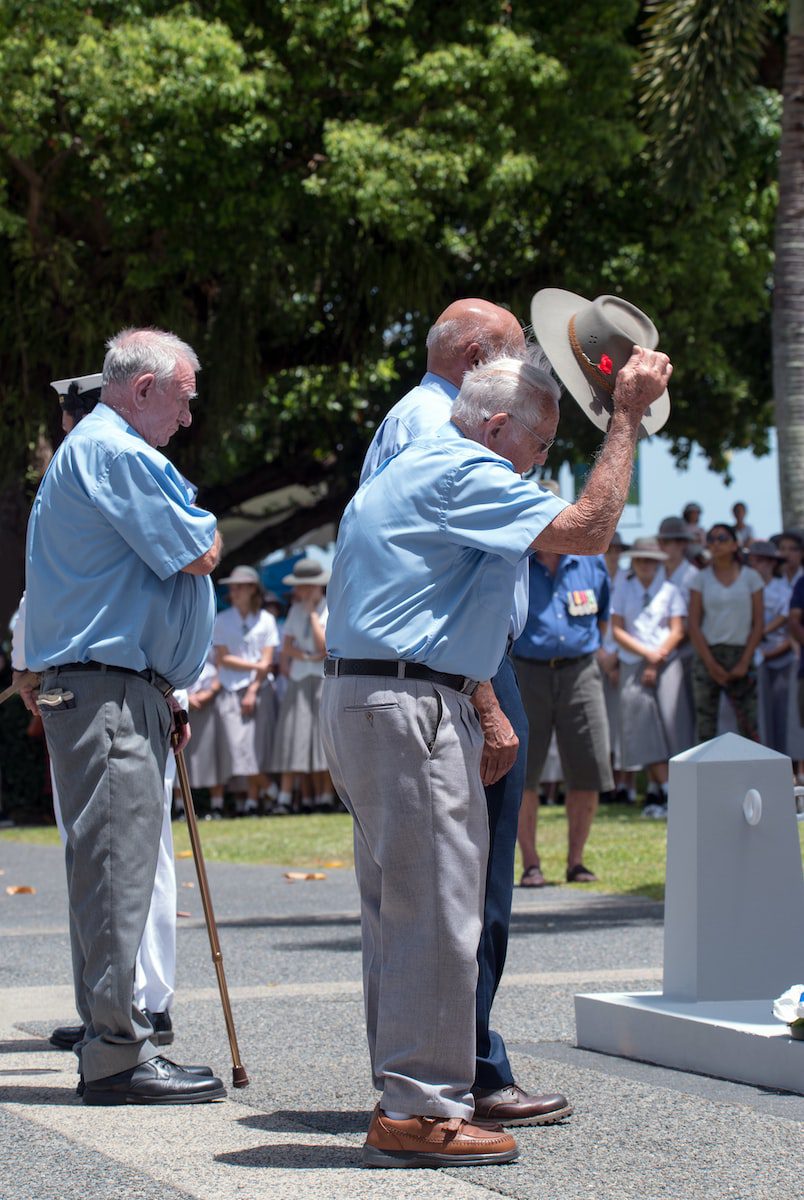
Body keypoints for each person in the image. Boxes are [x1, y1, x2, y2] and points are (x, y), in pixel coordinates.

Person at [322, 317, 671, 1167]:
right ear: (493, 426)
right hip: (404, 704)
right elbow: (590, 526)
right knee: (439, 908)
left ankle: (411, 1093)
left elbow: (438, 606)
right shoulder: (465, 466)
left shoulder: (427, 463)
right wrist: (623, 416)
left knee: (406, 906)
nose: (540, 459)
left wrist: (478, 702)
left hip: (386, 693)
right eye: (541, 442)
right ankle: (419, 1110)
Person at [360, 298, 563, 1128]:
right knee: (463, 887)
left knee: (452, 883)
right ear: (481, 359)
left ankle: (457, 1068)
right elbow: (431, 581)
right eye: (519, 357)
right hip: (455, 673)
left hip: (454, 667)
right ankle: (463, 1072)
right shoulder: (436, 425)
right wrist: (483, 694)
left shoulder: (422, 419)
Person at [22, 327, 226, 1105]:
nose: (186, 419)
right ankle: (116, 1053)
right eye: (182, 401)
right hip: (106, 688)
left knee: (116, 870)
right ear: (143, 390)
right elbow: (199, 550)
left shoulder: (103, 448)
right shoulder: (117, 451)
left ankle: (118, 1041)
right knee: (114, 874)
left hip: (120, 685)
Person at [12, 372, 184, 1053]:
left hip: (112, 683)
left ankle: (141, 1001)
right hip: (76, 681)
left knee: (128, 850)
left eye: (72, 417)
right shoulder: (95, 470)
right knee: (95, 845)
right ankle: (116, 1005)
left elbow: (152, 589)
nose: (64, 433)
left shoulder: (117, 469)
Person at [514, 547, 612, 883]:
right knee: (522, 770)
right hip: (526, 671)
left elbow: (603, 615)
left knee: (588, 765)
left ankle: (576, 861)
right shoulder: (515, 562)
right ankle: (531, 863)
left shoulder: (591, 562)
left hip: (581, 670)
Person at [610, 538, 686, 819]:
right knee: (641, 729)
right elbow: (617, 629)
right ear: (634, 562)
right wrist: (646, 655)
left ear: (659, 562)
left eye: (650, 560)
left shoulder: (670, 590)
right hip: (633, 660)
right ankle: (664, 789)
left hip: (667, 663)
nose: (645, 565)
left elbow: (678, 629)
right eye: (640, 560)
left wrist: (657, 656)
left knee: (671, 726)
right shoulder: (622, 587)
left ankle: (663, 789)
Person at [212, 565, 279, 816]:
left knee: (256, 750)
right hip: (230, 690)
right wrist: (255, 665)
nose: (234, 591)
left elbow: (268, 660)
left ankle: (253, 802)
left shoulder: (267, 620)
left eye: (239, 586)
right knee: (236, 750)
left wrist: (252, 690)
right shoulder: (222, 619)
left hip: (260, 689)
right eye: (232, 586)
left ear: (253, 589)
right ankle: (271, 790)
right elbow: (222, 658)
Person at [687, 523, 764, 742]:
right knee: (705, 725)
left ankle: (751, 775)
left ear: (735, 544)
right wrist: (711, 665)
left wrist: (744, 661)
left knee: (749, 725)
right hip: (708, 655)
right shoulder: (700, 579)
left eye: (722, 538)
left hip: (742, 653)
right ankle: (704, 776)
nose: (715, 543)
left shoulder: (751, 578)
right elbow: (693, 624)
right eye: (711, 539)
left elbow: (758, 623)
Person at [270, 557, 333, 813]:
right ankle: (285, 798)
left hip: (321, 680)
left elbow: (324, 647)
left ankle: (325, 797)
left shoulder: (330, 607)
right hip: (299, 677)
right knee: (294, 735)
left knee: (321, 739)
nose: (302, 591)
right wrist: (306, 656)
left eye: (306, 586)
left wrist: (312, 618)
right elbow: (286, 648)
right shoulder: (295, 610)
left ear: (317, 586)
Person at [746, 541, 793, 754]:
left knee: (783, 714)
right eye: (753, 560)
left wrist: (761, 633)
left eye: (761, 561)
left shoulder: (783, 589)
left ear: (772, 563)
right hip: (753, 657)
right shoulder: (745, 587)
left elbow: (787, 618)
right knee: (759, 716)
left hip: (781, 657)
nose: (756, 565)